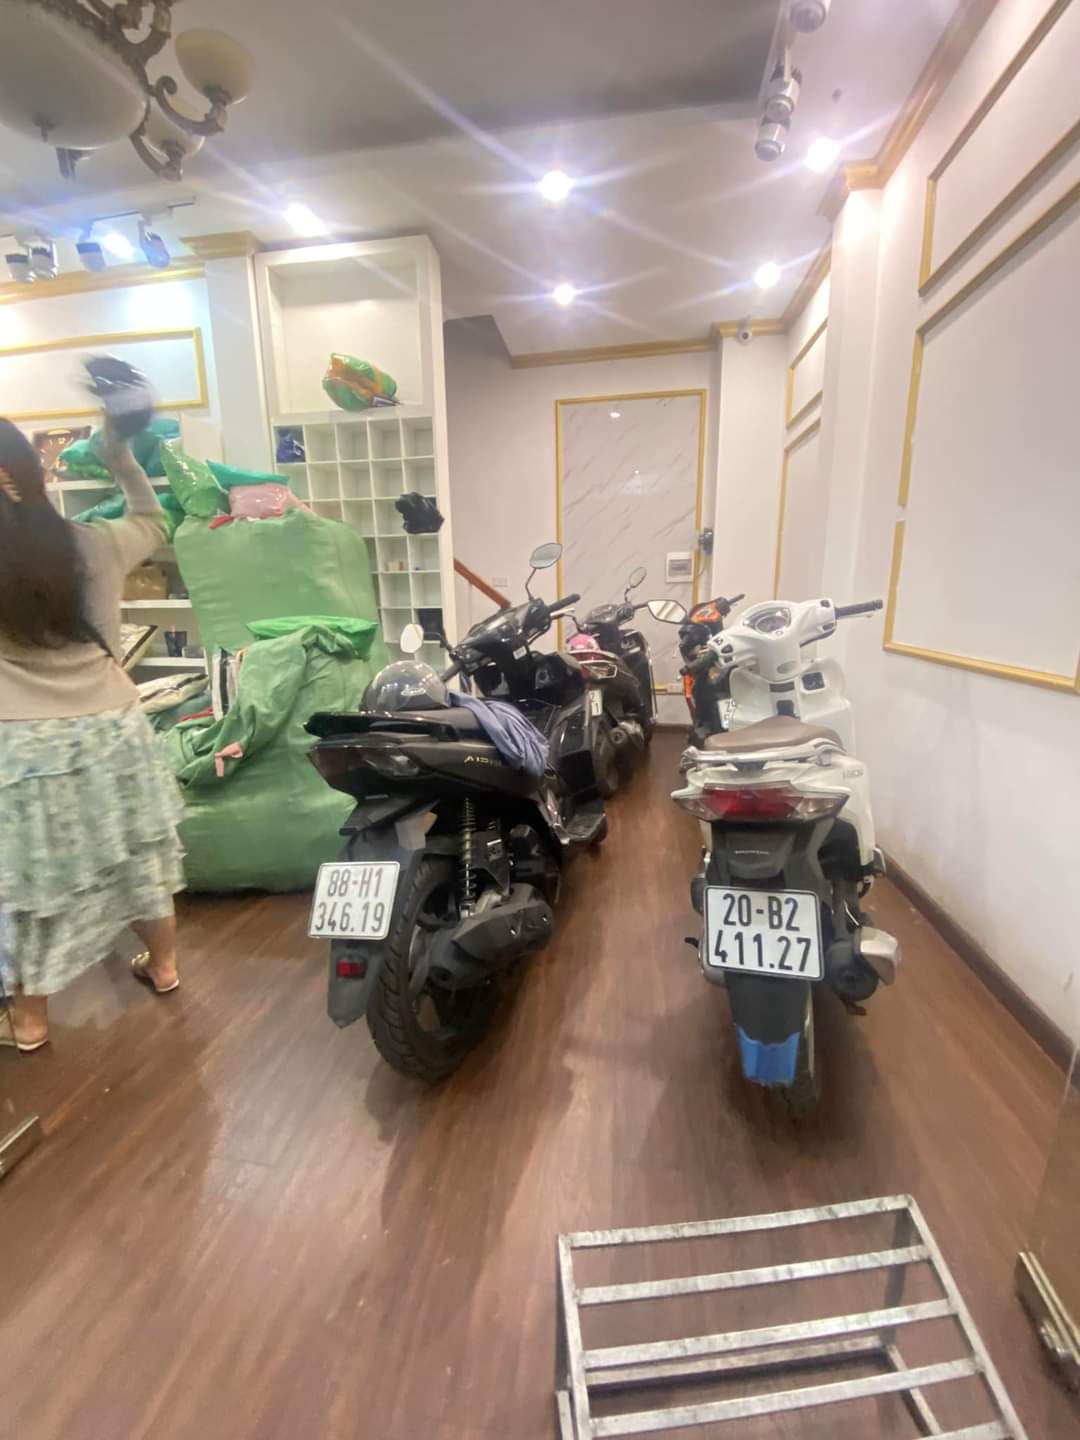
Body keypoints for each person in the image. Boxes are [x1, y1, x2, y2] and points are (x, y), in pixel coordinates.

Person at [0, 416, 184, 1051]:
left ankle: (29, 1019)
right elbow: (155, 520)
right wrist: (118, 454)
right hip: (114, 728)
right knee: (138, 855)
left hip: (22, 745)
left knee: (33, 883)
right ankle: (164, 965)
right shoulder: (91, 543)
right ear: (37, 471)